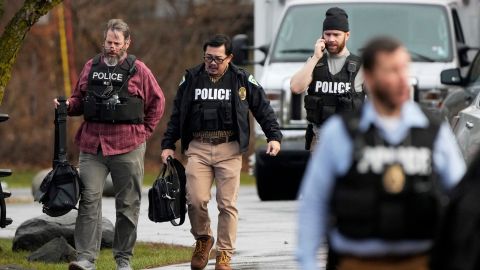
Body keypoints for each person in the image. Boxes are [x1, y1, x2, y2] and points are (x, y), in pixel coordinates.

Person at [296, 36, 466, 270]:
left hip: (420, 260)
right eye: (391, 71)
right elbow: (315, 203)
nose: (401, 79)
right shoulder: (341, 133)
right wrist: (307, 262)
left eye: (404, 69)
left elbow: (462, 200)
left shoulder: (434, 131)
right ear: (371, 78)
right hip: (356, 261)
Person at [160, 34, 282, 270]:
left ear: (230, 57)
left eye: (217, 58)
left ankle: (224, 254)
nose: (212, 63)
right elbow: (178, 114)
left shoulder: (242, 79)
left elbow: (262, 108)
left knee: (227, 204)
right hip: (198, 147)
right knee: (195, 199)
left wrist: (274, 136)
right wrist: (168, 144)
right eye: (208, 58)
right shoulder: (192, 78)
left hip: (229, 148)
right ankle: (203, 238)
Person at [54, 19, 165, 270]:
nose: (112, 47)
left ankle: (123, 259)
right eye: (108, 42)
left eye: (117, 43)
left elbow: (157, 102)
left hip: (128, 146)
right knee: (89, 200)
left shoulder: (139, 70)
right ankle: (85, 259)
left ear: (127, 43)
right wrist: (67, 106)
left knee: (127, 204)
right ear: (103, 41)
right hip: (92, 145)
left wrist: (144, 132)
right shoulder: (91, 66)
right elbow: (79, 100)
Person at [290, 7, 364, 150]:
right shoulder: (315, 62)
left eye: (336, 34)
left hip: (349, 138)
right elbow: (295, 88)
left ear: (347, 35)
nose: (331, 39)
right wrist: (316, 57)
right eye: (327, 34)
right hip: (319, 139)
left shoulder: (361, 66)